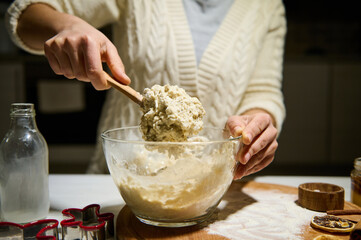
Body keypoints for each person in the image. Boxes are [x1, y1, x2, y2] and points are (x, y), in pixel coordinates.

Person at [6, 0, 286, 179]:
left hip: (212, 186)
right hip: (122, 180)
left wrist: (257, 123)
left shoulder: (268, 7)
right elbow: (24, 15)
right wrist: (67, 24)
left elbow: (263, 91)